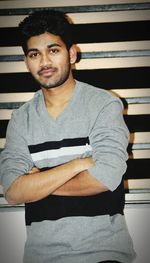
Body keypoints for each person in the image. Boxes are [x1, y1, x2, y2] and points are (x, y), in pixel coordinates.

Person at [0, 10, 136, 263]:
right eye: (34, 54)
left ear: (71, 54)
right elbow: (12, 191)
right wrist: (76, 165)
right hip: (41, 257)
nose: (44, 62)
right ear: (26, 61)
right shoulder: (21, 120)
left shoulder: (103, 105)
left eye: (53, 50)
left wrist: (38, 183)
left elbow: (106, 177)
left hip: (104, 253)